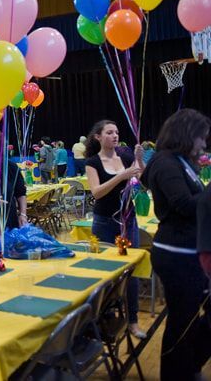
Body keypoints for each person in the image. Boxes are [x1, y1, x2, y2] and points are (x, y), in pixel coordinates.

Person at [142, 109, 211, 380]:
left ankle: (189, 364)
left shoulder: (181, 161)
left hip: (189, 251)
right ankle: (177, 373)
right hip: (176, 254)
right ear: (186, 134)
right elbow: (182, 205)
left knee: (189, 319)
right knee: (182, 320)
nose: (204, 144)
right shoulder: (166, 163)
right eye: (200, 137)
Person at [85, 120, 145, 338]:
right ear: (98, 137)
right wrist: (121, 176)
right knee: (104, 272)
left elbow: (142, 178)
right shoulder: (92, 162)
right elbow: (97, 193)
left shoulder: (127, 156)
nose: (115, 135)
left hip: (128, 220)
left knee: (131, 271)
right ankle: (105, 318)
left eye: (117, 132)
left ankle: (133, 320)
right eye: (109, 132)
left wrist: (138, 159)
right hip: (104, 222)